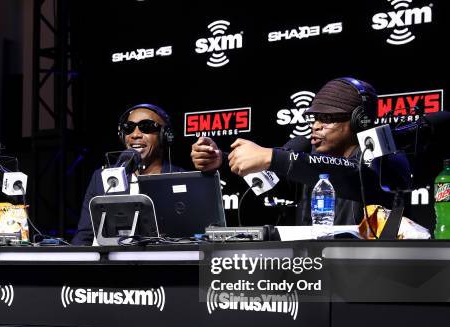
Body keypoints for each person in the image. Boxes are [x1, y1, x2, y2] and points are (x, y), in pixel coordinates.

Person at [191, 77, 411, 225]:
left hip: (370, 276)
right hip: (312, 271)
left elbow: (356, 175)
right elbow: (274, 183)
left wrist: (273, 157)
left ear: (359, 122)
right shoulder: (307, 156)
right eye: (314, 118)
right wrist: (223, 159)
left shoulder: (387, 159)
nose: (315, 125)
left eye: (327, 118)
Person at [72, 103, 184, 245]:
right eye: (128, 128)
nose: (135, 134)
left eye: (146, 127)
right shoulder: (102, 178)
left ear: (165, 135)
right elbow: (84, 237)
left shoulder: (180, 177)